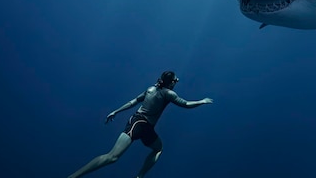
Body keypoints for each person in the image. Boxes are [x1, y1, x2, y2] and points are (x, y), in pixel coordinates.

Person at [67, 71, 213, 178]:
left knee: (158, 148)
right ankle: (73, 176)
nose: (177, 81)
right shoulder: (169, 94)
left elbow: (133, 101)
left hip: (145, 126)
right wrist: (202, 101)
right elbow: (186, 104)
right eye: (175, 80)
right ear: (171, 83)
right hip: (138, 123)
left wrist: (115, 111)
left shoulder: (151, 89)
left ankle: (139, 177)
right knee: (112, 157)